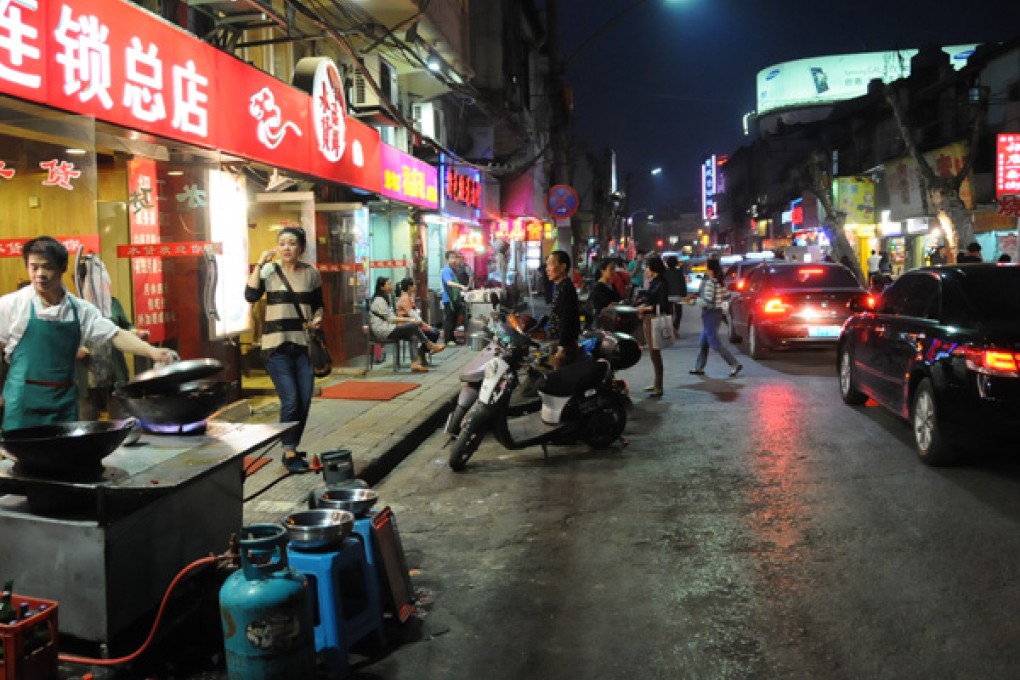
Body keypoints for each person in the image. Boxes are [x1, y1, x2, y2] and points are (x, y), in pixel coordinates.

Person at [0, 236, 177, 431]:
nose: (40, 274)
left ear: (63, 267)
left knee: (65, 457)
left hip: (63, 403)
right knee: (23, 458)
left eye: (47, 266)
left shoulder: (79, 309)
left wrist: (152, 352)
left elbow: (115, 334)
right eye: (34, 267)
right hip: (22, 402)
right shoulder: (10, 305)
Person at [245, 227, 324, 473]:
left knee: (304, 399)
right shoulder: (269, 270)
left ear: (301, 247)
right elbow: (250, 295)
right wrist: (259, 263)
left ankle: (292, 445)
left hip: (303, 345)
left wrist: (318, 318)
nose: (287, 247)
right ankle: (289, 452)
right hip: (275, 346)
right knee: (290, 399)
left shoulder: (311, 273)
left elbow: (318, 305)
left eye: (292, 243)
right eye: (282, 243)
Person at [370, 276, 444, 373]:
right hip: (383, 330)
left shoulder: (386, 298)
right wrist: (409, 319)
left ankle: (414, 364)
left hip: (389, 327)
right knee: (413, 326)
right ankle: (429, 345)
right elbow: (391, 319)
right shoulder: (379, 300)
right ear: (381, 287)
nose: (391, 286)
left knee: (413, 335)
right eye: (388, 284)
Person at [690, 258, 742, 378]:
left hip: (710, 314)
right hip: (716, 313)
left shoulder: (710, 283)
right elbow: (727, 295)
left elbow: (707, 301)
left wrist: (693, 302)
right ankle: (699, 367)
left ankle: (734, 364)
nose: (705, 270)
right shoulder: (718, 282)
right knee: (704, 341)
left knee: (714, 343)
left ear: (710, 269)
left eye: (707, 267)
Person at [636, 256, 669, 397]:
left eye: (648, 267)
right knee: (652, 352)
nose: (646, 270)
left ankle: (659, 386)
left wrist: (646, 309)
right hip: (649, 318)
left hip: (654, 319)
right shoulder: (655, 282)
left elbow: (662, 306)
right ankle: (656, 383)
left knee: (655, 352)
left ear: (654, 269)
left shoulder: (661, 283)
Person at [545, 250, 581, 367]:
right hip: (559, 343)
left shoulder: (565, 289)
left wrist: (562, 347)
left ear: (562, 267)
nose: (547, 269)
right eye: (547, 265)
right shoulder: (561, 287)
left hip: (564, 346)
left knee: (560, 379)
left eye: (550, 264)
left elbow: (567, 319)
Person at [396, 278, 440, 344]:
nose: (416, 286)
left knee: (435, 331)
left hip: (414, 323)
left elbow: (415, 313)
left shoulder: (409, 297)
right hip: (406, 325)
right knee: (433, 333)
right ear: (409, 287)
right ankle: (424, 350)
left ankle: (424, 350)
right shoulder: (405, 298)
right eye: (414, 285)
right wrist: (426, 325)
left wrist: (425, 325)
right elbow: (412, 314)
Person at [440, 250, 467, 346]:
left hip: (453, 299)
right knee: (450, 320)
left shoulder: (452, 270)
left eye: (455, 257)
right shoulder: (446, 270)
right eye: (451, 257)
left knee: (453, 319)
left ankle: (452, 338)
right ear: (447, 259)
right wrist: (461, 286)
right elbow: (449, 283)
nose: (454, 260)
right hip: (448, 299)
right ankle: (448, 340)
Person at [662, 255, 688, 333]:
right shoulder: (679, 273)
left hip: (667, 295)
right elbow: (683, 284)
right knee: (678, 313)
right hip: (678, 295)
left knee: (669, 313)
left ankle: (669, 328)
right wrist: (684, 294)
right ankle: (675, 328)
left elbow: (663, 285)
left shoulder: (664, 273)